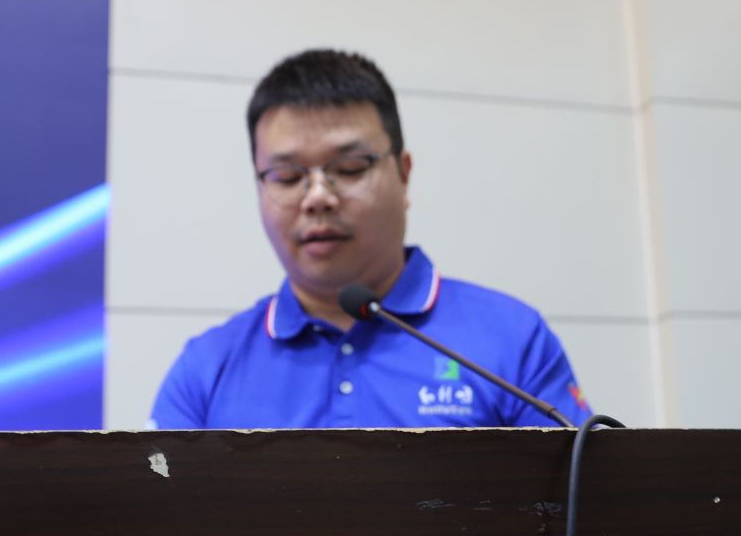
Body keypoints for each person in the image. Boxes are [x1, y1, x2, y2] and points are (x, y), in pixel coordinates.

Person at [150, 49, 593, 429]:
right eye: (287, 176)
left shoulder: (510, 339)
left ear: (404, 174)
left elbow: (580, 500)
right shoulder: (205, 370)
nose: (317, 197)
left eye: (350, 168)